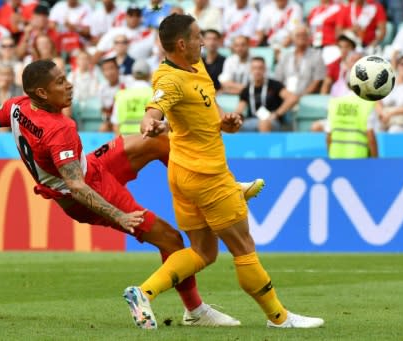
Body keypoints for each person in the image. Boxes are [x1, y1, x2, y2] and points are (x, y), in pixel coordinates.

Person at [0, 59, 266, 328]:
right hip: (86, 192)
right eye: (60, 82)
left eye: (66, 77)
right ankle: (195, 310)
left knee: (159, 142)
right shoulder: (59, 129)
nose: (69, 85)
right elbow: (78, 186)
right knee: (171, 240)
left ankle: (221, 185)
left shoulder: (17, 106)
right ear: (41, 93)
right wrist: (119, 215)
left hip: (91, 165)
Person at [126, 13, 324, 330]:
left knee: (203, 252)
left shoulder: (195, 67)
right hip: (207, 177)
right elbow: (154, 108)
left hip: (182, 174)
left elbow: (207, 104)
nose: (203, 41)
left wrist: (223, 121)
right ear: (181, 44)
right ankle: (279, 318)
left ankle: (143, 292)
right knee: (243, 247)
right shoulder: (170, 80)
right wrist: (150, 123)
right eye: (197, 37)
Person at [236, 56, 298, 132]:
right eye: (254, 68)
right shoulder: (247, 89)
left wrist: (276, 114)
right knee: (232, 125)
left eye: (260, 68)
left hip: (271, 120)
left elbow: (292, 98)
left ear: (265, 69)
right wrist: (234, 119)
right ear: (250, 70)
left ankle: (263, 144)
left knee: (264, 123)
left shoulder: (274, 85)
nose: (257, 71)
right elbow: (239, 109)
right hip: (252, 120)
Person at [327, 92, 378, 159]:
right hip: (358, 157)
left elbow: (329, 136)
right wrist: (375, 161)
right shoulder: (367, 103)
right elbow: (371, 137)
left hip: (335, 157)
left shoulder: (334, 103)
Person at [111, 59, 152, 134]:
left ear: (133, 75)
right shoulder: (154, 94)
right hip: (148, 141)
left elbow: (115, 124)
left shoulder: (121, 95)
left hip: (126, 141)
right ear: (149, 75)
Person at [375, 55, 403, 133]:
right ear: (397, 66)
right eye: (402, 64)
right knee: (372, 127)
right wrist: (382, 114)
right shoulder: (387, 81)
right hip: (385, 117)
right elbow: (377, 100)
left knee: (395, 130)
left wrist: (391, 112)